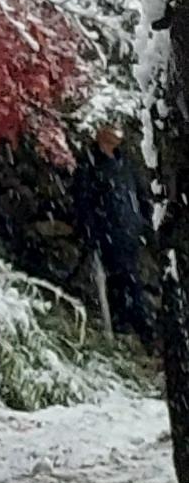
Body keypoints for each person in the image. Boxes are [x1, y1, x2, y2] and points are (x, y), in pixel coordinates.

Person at [77, 116, 162, 341]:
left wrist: (144, 222)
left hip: (130, 230)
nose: (115, 136)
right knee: (124, 278)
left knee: (130, 277)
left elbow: (139, 193)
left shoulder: (125, 163)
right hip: (108, 232)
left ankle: (134, 325)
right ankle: (137, 326)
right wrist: (91, 232)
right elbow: (83, 201)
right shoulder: (90, 165)